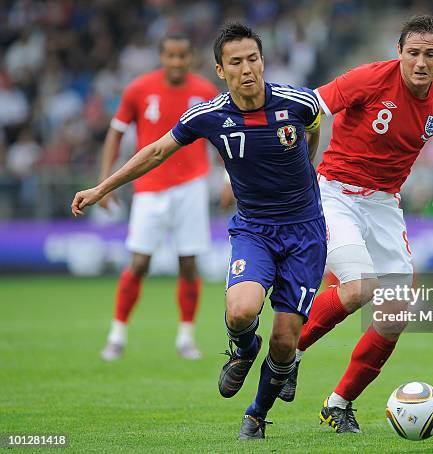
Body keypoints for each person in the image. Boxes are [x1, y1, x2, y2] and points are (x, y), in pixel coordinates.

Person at [72, 23, 326, 441]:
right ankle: (244, 350)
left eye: (253, 59)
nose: (248, 69)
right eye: (236, 62)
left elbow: (313, 130)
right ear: (220, 70)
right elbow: (155, 150)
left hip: (305, 232)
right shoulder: (209, 115)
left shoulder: (297, 102)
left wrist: (305, 169)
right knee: (241, 311)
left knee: (285, 340)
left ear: (263, 60)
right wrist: (102, 188)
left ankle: (257, 414)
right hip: (255, 229)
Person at [278, 15, 433, 433]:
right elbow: (309, 106)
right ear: (399, 51)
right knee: (360, 287)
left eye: (430, 54)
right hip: (334, 194)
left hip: (385, 203)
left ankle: (339, 403)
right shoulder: (368, 79)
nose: (421, 62)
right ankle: (288, 351)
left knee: (396, 310)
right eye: (413, 53)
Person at [98, 34, 219, 361]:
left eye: (182, 56)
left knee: (189, 264)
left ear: (191, 57)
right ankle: (117, 335)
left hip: (191, 187)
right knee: (138, 263)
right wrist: (105, 182)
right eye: (171, 56)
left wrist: (226, 179)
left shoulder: (205, 91)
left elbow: (221, 138)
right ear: (161, 57)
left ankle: (185, 337)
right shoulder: (139, 89)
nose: (177, 62)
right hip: (149, 188)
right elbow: (116, 133)